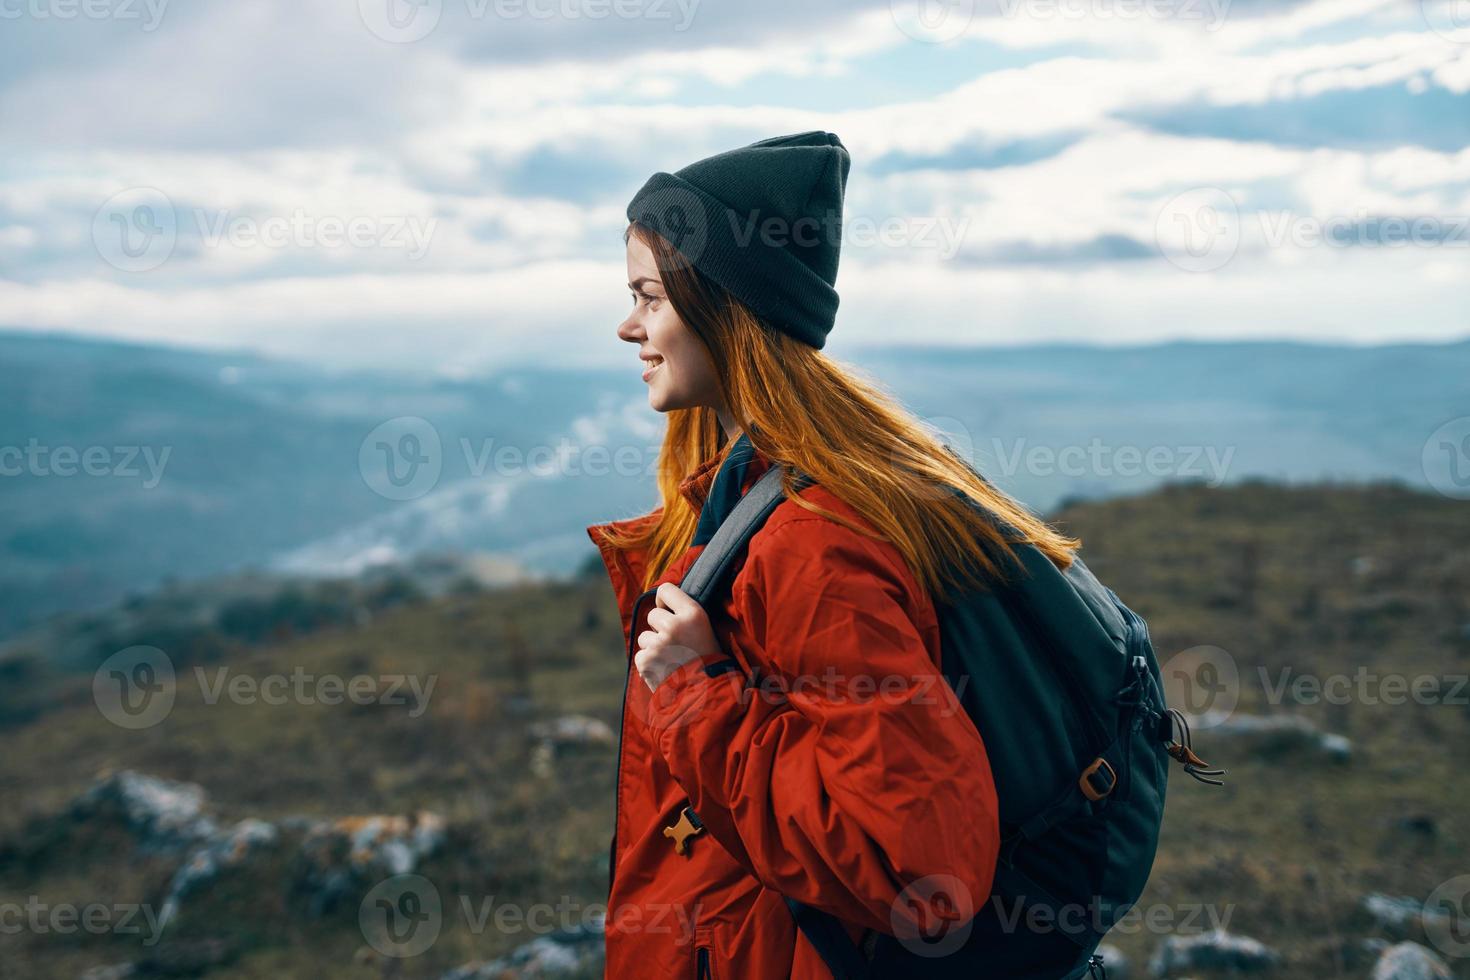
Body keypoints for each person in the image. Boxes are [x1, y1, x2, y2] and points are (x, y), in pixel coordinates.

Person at [586, 131, 1082, 979]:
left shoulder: (812, 543)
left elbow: (920, 874)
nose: (628, 326)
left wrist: (698, 698)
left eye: (650, 297)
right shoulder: (761, 496)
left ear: (723, 304)